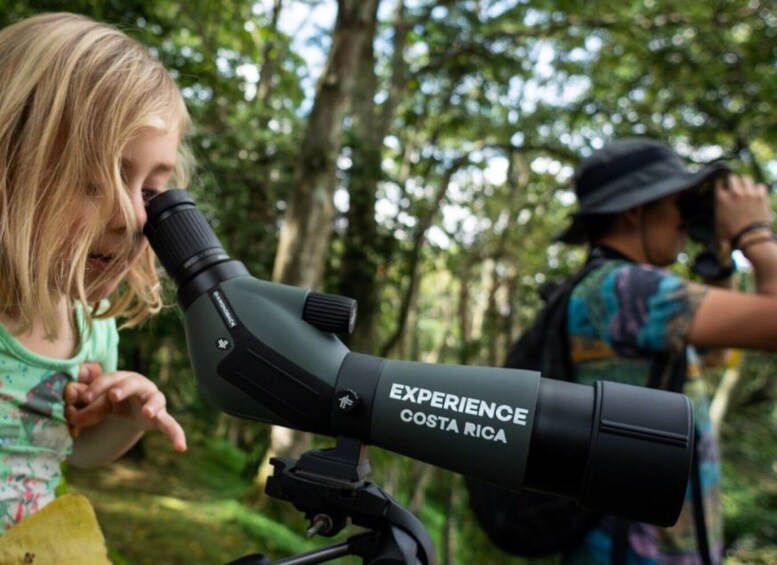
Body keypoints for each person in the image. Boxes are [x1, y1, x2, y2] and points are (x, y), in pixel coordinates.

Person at [0, 12, 190, 535]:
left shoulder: (91, 331)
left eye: (150, 192)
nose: (134, 216)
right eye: (93, 180)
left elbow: (75, 456)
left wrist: (122, 420)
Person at [556, 137, 777, 564]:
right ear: (636, 209)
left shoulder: (611, 288)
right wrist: (755, 232)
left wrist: (720, 260)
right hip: (638, 552)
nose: (684, 218)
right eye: (680, 202)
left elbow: (713, 354)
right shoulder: (626, 287)